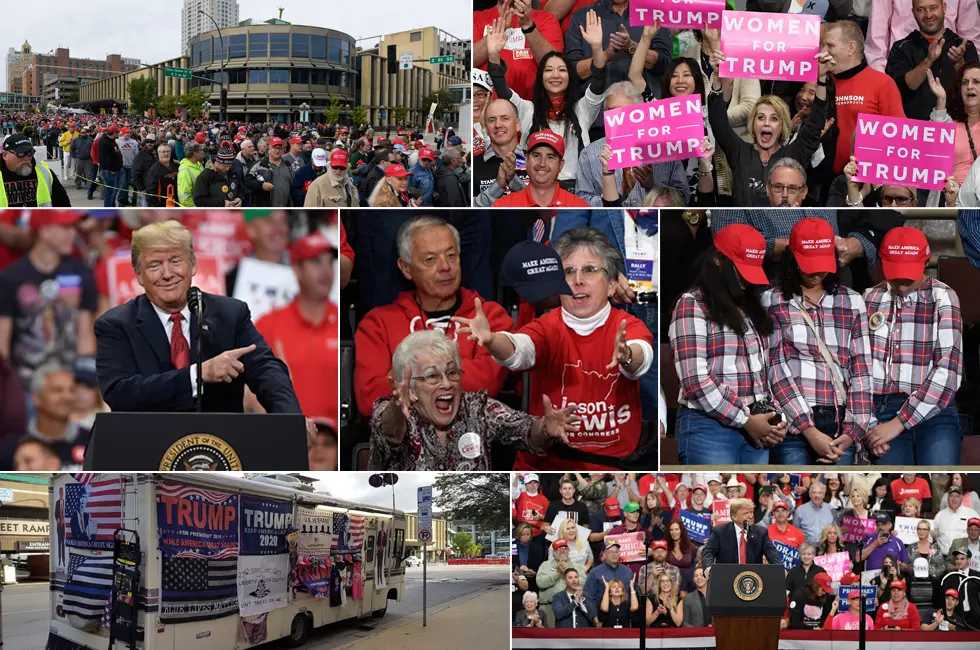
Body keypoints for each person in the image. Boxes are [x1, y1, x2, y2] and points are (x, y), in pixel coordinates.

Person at [454, 226, 654, 470]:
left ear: (612, 285)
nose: (578, 280)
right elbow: (520, 350)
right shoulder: (546, 327)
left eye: (590, 270)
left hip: (612, 467)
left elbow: (641, 358)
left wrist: (627, 356)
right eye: (568, 272)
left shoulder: (628, 326)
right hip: (545, 465)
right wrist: (493, 340)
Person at [94, 220, 305, 419]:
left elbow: (265, 369)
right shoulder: (116, 325)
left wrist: (291, 420)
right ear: (139, 275)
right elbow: (119, 393)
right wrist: (197, 375)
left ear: (193, 265)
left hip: (220, 446)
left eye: (175, 261)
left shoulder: (230, 314)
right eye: (154, 265)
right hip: (149, 447)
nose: (167, 274)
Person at [354, 216, 511, 417]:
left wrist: (408, 377)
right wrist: (459, 370)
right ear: (406, 268)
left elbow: (486, 383)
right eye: (430, 259)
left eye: (452, 255)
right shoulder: (377, 323)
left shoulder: (491, 315)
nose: (445, 266)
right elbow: (370, 399)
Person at [369, 330, 579, 470]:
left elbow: (523, 429)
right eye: (433, 375)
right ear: (411, 388)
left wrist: (545, 427)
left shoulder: (477, 408)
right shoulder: (389, 411)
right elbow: (389, 431)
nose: (446, 384)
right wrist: (398, 409)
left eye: (452, 373)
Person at [669, 224, 787, 464]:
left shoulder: (752, 306)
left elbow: (765, 372)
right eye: (740, 269)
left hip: (758, 424)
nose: (745, 280)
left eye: (751, 271)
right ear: (717, 260)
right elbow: (695, 380)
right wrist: (745, 420)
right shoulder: (692, 304)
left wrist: (776, 418)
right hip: (709, 427)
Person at [762, 218, 873, 465]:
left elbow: (862, 370)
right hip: (793, 423)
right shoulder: (773, 301)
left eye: (822, 264)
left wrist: (852, 432)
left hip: (843, 421)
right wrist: (809, 430)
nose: (815, 272)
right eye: (807, 264)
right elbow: (775, 370)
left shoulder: (852, 301)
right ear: (792, 260)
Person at [863, 227, 963, 464]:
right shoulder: (869, 298)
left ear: (925, 263)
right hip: (880, 409)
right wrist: (870, 425)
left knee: (942, 466)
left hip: (935, 409)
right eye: (896, 276)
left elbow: (947, 372)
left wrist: (899, 423)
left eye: (910, 276)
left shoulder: (943, 297)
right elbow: (858, 369)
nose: (903, 285)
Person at [706, 30, 833, 206]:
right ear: (752, 124)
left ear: (783, 126)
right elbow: (717, 120)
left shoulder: (795, 153)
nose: (766, 123)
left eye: (774, 118)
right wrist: (719, 80)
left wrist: (820, 78)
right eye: (760, 117)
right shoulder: (739, 151)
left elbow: (815, 124)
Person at [486, 8, 608, 188]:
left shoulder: (582, 108)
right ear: (541, 77)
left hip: (577, 190)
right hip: (535, 188)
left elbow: (599, 80)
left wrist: (597, 47)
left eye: (562, 70)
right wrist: (493, 55)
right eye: (549, 70)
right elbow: (502, 89)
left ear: (570, 77)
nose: (555, 75)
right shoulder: (528, 110)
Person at [0, 210, 96, 392]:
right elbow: (2, 339)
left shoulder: (81, 273)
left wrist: (86, 383)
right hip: (24, 384)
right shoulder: (11, 278)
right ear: (43, 231)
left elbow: (85, 334)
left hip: (70, 382)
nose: (73, 233)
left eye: (73, 227)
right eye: (65, 227)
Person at [255, 232, 338, 425]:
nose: (326, 271)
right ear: (297, 270)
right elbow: (250, 393)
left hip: (334, 447)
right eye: (316, 262)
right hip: (285, 439)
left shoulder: (344, 322)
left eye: (329, 263)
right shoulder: (268, 325)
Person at [575, 82, 690, 207]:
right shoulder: (589, 154)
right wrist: (615, 192)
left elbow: (683, 198)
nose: (618, 118)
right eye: (612, 111)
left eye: (625, 111)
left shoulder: (667, 149)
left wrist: (652, 186)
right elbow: (582, 202)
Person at [822, 21, 906, 176]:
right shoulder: (821, 83)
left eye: (830, 45)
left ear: (851, 48)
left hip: (866, 179)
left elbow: (899, 135)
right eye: (823, 46)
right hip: (822, 179)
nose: (824, 51)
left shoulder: (882, 83)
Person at [885, 0, 979, 122]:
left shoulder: (965, 46)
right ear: (913, 13)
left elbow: (974, 90)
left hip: (958, 130)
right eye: (921, 10)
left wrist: (959, 63)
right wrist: (928, 60)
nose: (928, 15)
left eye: (933, 8)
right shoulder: (901, 48)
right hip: (913, 131)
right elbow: (903, 87)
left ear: (944, 8)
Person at [0, 363, 89, 469]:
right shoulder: (11, 449)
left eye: (72, 390)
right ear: (36, 398)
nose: (68, 397)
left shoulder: (92, 442)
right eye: (57, 390)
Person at [473, 0, 564, 102]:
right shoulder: (476, 18)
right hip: (490, 108)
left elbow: (555, 64)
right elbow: (471, 61)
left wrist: (527, 25)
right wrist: (501, 28)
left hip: (534, 106)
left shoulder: (546, 18)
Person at [866, 0, 980, 73]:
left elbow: (970, 35)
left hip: (949, 60)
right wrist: (882, 78)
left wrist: (969, 73)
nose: (929, 15)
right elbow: (877, 34)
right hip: (902, 63)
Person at [490, 130, 589, 207]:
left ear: (561, 165)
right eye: (536, 155)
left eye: (550, 157)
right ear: (526, 160)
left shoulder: (579, 207)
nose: (542, 163)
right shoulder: (502, 206)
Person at [700, 498, 783, 569]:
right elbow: (708, 551)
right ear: (734, 517)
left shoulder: (761, 532)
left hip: (752, 577)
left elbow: (771, 552)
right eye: (746, 513)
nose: (751, 516)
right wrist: (708, 567)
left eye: (751, 512)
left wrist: (779, 567)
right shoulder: (720, 532)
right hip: (727, 577)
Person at [0, 133, 70, 207]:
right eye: (20, 154)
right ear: (5, 155)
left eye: (30, 153)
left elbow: (63, 205)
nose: (27, 158)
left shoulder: (45, 173)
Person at [535, 538, 585, 625]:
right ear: (554, 552)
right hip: (548, 607)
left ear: (568, 551)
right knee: (548, 636)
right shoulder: (545, 565)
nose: (562, 551)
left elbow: (584, 582)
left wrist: (570, 578)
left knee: (568, 636)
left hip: (573, 605)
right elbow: (540, 582)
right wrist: (557, 573)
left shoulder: (576, 566)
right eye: (559, 549)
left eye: (564, 548)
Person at [583, 539, 634, 622]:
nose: (614, 554)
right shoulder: (595, 572)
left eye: (616, 551)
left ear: (620, 553)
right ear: (604, 554)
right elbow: (588, 596)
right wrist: (594, 617)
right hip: (603, 616)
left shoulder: (628, 571)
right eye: (610, 552)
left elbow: (633, 595)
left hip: (625, 616)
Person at [245, 137, 294, 207]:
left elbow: (292, 186)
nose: (277, 151)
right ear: (269, 148)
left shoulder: (288, 165)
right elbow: (247, 181)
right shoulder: (259, 164)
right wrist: (261, 185)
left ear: (283, 149)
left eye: (279, 148)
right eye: (274, 148)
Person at [192, 142, 241, 208]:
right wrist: (222, 203)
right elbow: (199, 201)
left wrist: (239, 198)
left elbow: (240, 188)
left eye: (229, 166)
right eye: (224, 166)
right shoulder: (205, 176)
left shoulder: (232, 172)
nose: (227, 169)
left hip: (232, 213)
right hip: (214, 215)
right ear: (217, 162)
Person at [934, 485, 980, 554]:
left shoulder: (972, 514)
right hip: (943, 557)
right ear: (947, 497)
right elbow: (934, 535)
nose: (954, 499)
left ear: (961, 498)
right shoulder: (940, 515)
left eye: (957, 496)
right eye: (951, 496)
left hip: (964, 557)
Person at [143, 143, 180, 208]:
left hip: (176, 202)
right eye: (163, 152)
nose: (166, 154)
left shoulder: (175, 165)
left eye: (168, 151)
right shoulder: (154, 170)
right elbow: (150, 193)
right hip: (162, 205)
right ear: (158, 153)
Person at [513, 521, 545, 591]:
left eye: (528, 534)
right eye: (523, 534)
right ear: (519, 533)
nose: (525, 537)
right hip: (515, 581)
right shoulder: (513, 546)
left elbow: (540, 567)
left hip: (531, 582)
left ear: (531, 535)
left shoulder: (536, 549)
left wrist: (531, 571)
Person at [98, 125, 124, 208]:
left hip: (115, 169)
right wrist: (112, 169)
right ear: (114, 133)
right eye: (118, 132)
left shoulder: (112, 140)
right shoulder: (105, 143)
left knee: (114, 191)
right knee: (110, 191)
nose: (119, 134)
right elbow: (106, 158)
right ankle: (108, 208)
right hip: (109, 171)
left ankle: (112, 205)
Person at [130, 134, 157, 207]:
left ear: (155, 142)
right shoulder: (140, 156)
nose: (149, 144)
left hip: (158, 189)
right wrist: (141, 189)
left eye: (151, 142)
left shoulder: (158, 153)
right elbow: (134, 174)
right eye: (147, 142)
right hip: (146, 190)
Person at [175, 141, 204, 208]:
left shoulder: (198, 164)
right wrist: (195, 209)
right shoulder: (184, 171)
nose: (202, 152)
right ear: (194, 153)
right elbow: (184, 198)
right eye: (200, 151)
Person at [69, 127, 95, 193]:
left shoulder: (90, 139)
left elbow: (93, 148)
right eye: (82, 132)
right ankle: (78, 185)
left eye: (85, 132)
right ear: (80, 133)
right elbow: (72, 148)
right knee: (78, 173)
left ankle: (90, 185)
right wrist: (74, 157)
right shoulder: (76, 140)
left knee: (89, 174)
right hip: (79, 159)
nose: (84, 134)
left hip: (88, 159)